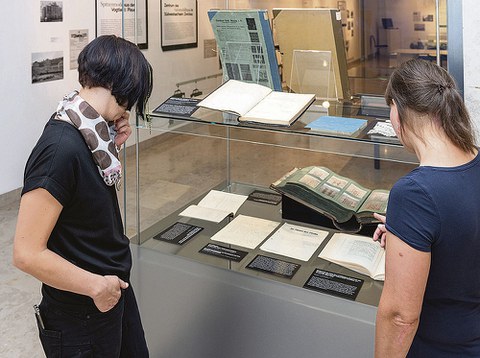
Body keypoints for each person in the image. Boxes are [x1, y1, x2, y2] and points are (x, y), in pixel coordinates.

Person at [13, 35, 152, 357]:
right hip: (83, 307)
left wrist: (111, 144)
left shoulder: (90, 134)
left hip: (109, 291)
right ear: (125, 84)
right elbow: (26, 253)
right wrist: (96, 287)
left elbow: (85, 207)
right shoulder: (60, 148)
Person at [372, 58, 480, 357]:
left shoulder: (415, 193)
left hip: (438, 346)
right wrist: (409, 236)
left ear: (398, 110)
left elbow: (400, 318)